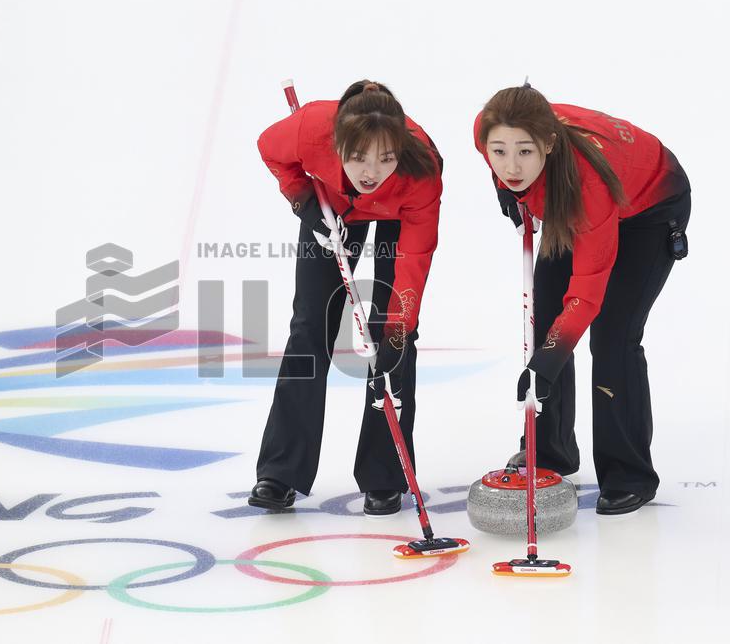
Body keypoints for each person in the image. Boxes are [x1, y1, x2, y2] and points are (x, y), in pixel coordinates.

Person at [474, 83, 691, 515]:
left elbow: (587, 292)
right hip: (567, 201)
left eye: (525, 152)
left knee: (612, 337)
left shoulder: (589, 183)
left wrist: (548, 361)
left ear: (549, 144)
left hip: (647, 210)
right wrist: (507, 191)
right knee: (546, 321)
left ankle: (629, 474)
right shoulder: (486, 129)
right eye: (499, 152)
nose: (511, 165)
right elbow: (504, 163)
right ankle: (551, 453)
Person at [249, 80, 443, 515]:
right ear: (336, 143)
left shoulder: (420, 171)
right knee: (309, 328)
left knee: (392, 339)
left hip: (400, 212)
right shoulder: (309, 127)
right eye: (358, 157)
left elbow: (414, 260)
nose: (371, 170)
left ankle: (384, 475)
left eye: (385, 157)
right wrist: (303, 200)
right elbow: (270, 148)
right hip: (331, 203)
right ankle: (280, 472)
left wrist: (397, 326)